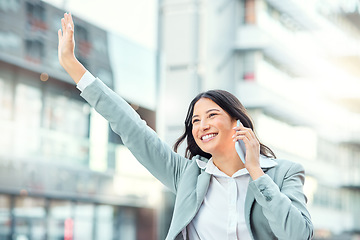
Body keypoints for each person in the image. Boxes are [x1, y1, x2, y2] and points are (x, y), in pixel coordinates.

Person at [58, 13, 313, 240]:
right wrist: (73, 65)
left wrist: (256, 173)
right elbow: (131, 127)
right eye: (195, 121)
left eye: (212, 115)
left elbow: (298, 234)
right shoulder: (187, 176)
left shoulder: (284, 174)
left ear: (237, 121)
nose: (202, 126)